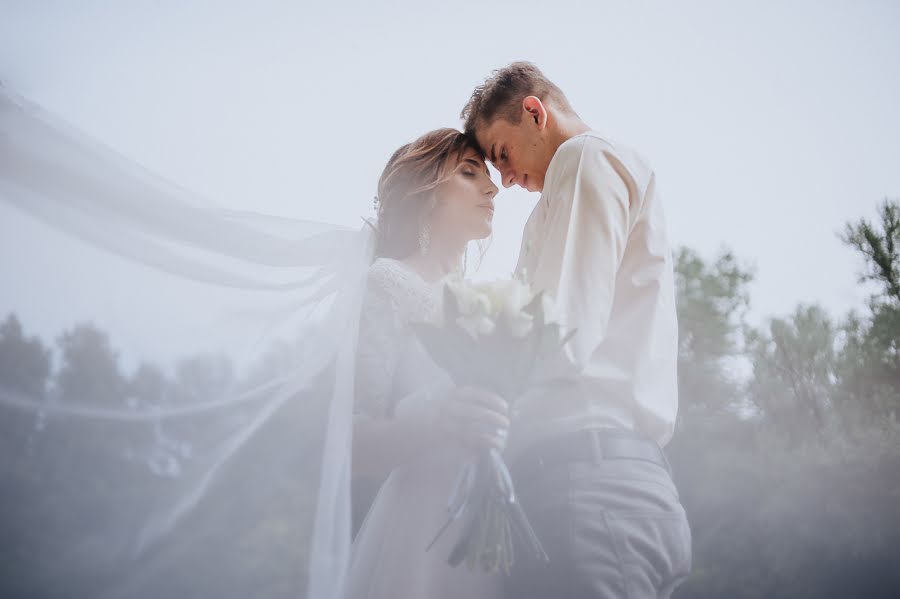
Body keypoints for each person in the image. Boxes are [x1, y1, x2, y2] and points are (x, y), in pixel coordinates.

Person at [461, 62, 693, 599]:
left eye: (502, 155)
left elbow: (564, 333)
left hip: (589, 490)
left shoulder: (585, 158)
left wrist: (472, 385)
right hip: (615, 487)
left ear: (535, 113)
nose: (509, 180)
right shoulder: (579, 183)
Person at [345, 128, 508, 599]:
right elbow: (352, 443)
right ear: (426, 192)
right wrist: (438, 423)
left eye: (489, 175)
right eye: (468, 172)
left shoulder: (490, 304)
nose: (492, 187)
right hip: (422, 525)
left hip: (491, 522)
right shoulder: (389, 283)